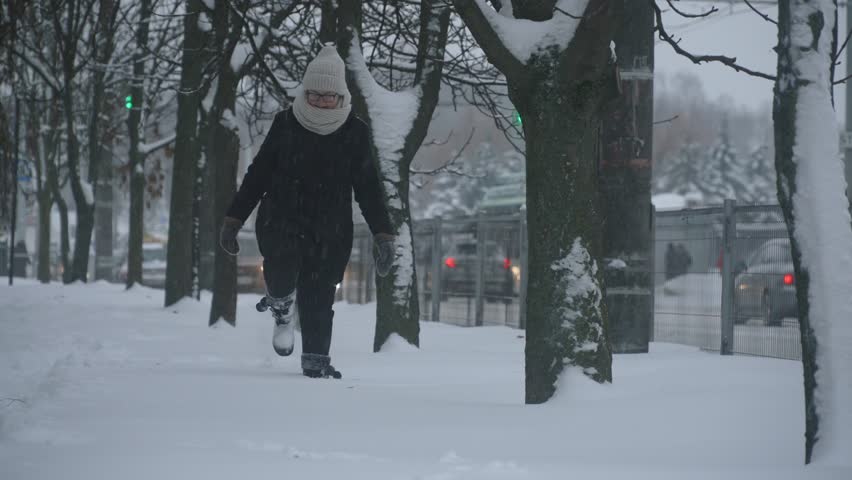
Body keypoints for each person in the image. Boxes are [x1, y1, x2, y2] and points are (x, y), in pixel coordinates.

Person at [219, 44, 395, 379]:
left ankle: (315, 360)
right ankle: (282, 307)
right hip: (282, 218)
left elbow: (369, 188)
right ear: (305, 92)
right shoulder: (286, 123)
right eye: (314, 94)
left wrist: (383, 234)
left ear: (341, 96)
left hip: (331, 227)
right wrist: (233, 219)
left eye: (329, 96)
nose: (321, 101)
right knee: (281, 270)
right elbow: (259, 173)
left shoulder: (354, 132)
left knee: (320, 293)